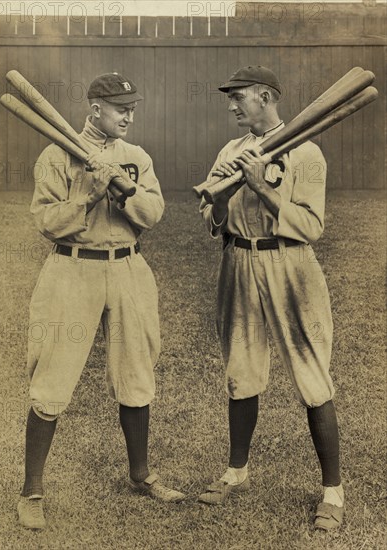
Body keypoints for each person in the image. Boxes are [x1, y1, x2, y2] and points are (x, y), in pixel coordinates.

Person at [17, 72, 185, 530]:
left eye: (132, 107)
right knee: (53, 374)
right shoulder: (56, 152)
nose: (128, 115)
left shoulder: (136, 157)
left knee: (136, 370)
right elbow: (47, 222)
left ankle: (141, 474)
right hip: (72, 268)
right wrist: (88, 196)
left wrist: (124, 192)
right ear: (95, 109)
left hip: (128, 266)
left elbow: (153, 215)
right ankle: (32, 490)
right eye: (119, 108)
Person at [198, 66, 344, 531]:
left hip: (291, 266)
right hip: (238, 262)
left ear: (265, 96)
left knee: (312, 376)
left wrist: (259, 185)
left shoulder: (307, 151)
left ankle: (333, 492)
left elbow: (312, 226)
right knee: (241, 371)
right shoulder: (231, 150)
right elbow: (212, 218)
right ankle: (236, 472)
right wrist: (223, 196)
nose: (232, 105)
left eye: (238, 97)